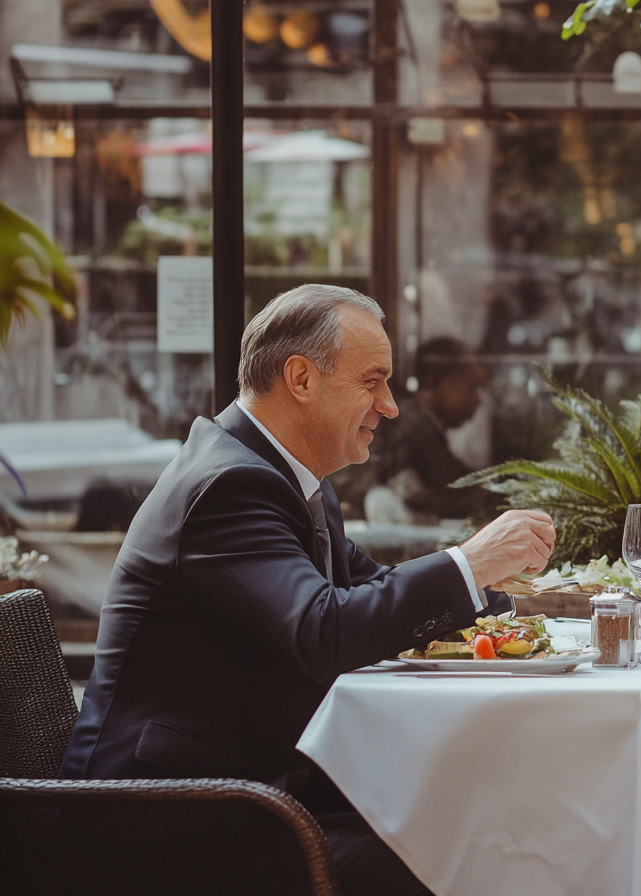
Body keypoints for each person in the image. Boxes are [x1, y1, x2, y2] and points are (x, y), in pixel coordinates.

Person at [61, 284, 555, 896]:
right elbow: (325, 629)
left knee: (469, 826)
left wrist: (512, 609)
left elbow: (369, 589)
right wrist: (470, 561)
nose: (392, 406)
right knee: (462, 860)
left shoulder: (284, 475)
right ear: (300, 379)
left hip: (246, 788)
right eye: (372, 381)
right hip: (168, 814)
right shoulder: (231, 486)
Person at [332, 336, 493, 523]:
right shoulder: (414, 423)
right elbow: (457, 488)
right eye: (471, 386)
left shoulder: (413, 419)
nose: (478, 399)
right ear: (437, 380)